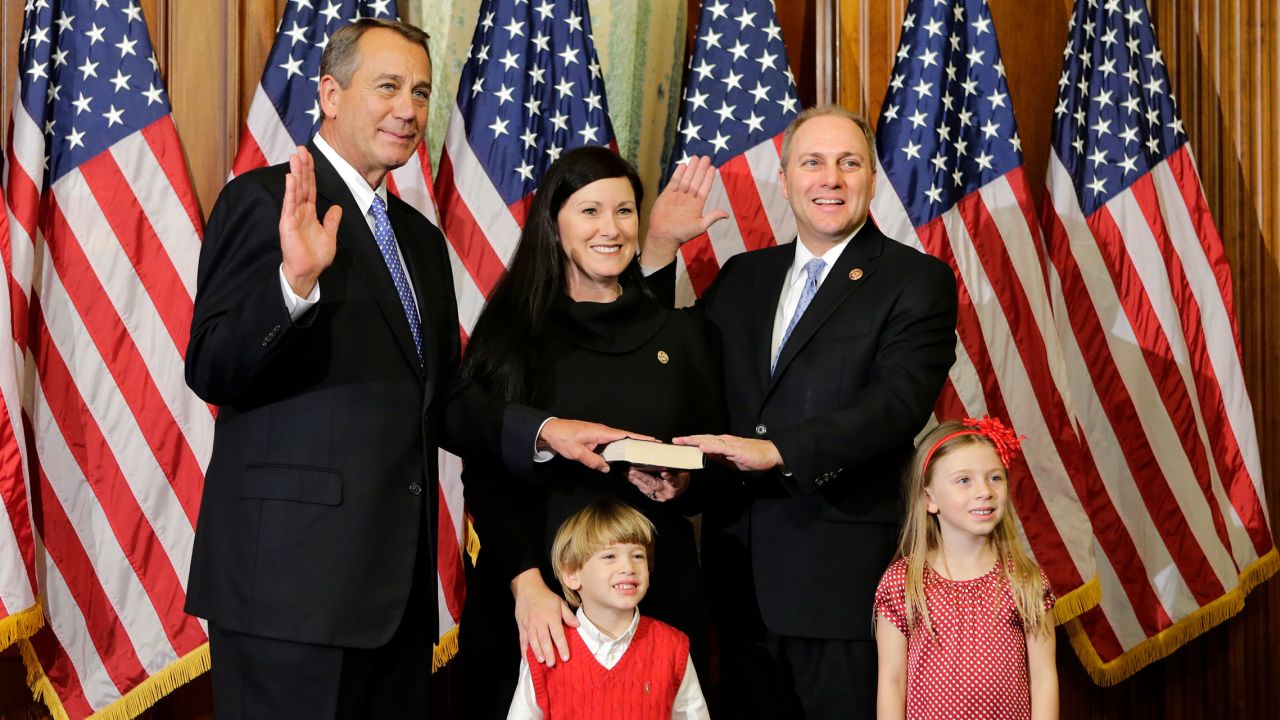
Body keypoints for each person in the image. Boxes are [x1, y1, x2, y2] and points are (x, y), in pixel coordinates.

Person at [184, 19, 632, 719]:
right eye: (387, 86)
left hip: (395, 594)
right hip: (290, 594)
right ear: (330, 95)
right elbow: (211, 366)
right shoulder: (265, 203)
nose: (408, 109)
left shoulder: (419, 240)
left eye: (421, 92)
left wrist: (544, 432)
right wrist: (293, 286)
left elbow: (443, 395)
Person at [640, 104, 960, 717]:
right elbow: (670, 363)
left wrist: (780, 451)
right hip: (735, 585)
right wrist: (658, 249)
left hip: (841, 588)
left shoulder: (915, 280)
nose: (830, 179)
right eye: (812, 163)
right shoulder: (744, 277)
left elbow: (897, 405)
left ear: (871, 177)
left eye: (849, 163)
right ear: (785, 179)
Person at [457, 146, 723, 719]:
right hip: (536, 592)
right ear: (555, 224)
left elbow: (712, 457)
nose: (611, 229)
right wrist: (525, 584)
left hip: (656, 591)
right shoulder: (513, 330)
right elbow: (482, 469)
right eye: (591, 211)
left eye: (624, 212)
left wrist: (682, 486)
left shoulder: (676, 332)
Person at [873, 417, 1058, 720]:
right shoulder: (903, 582)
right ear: (930, 498)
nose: (984, 490)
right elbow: (891, 681)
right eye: (964, 480)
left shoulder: (1024, 580)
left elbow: (1043, 678)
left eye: (995, 478)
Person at [506, 502, 710, 719]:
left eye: (637, 556)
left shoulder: (672, 647)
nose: (628, 567)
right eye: (610, 556)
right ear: (572, 574)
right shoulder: (547, 649)